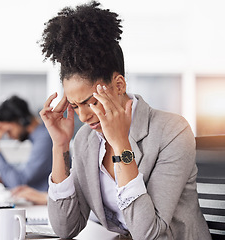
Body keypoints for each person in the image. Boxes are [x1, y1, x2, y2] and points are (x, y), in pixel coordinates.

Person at [38, 2, 211, 239]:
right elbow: (65, 228)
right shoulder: (86, 140)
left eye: (91, 102)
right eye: (75, 106)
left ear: (119, 85)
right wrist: (59, 147)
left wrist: (121, 145)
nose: (83, 116)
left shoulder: (172, 132)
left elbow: (148, 233)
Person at [0, 95, 52, 192]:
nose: (9, 136)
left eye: (9, 131)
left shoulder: (45, 138)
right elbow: (26, 176)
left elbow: (19, 182)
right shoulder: (40, 137)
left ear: (22, 120)